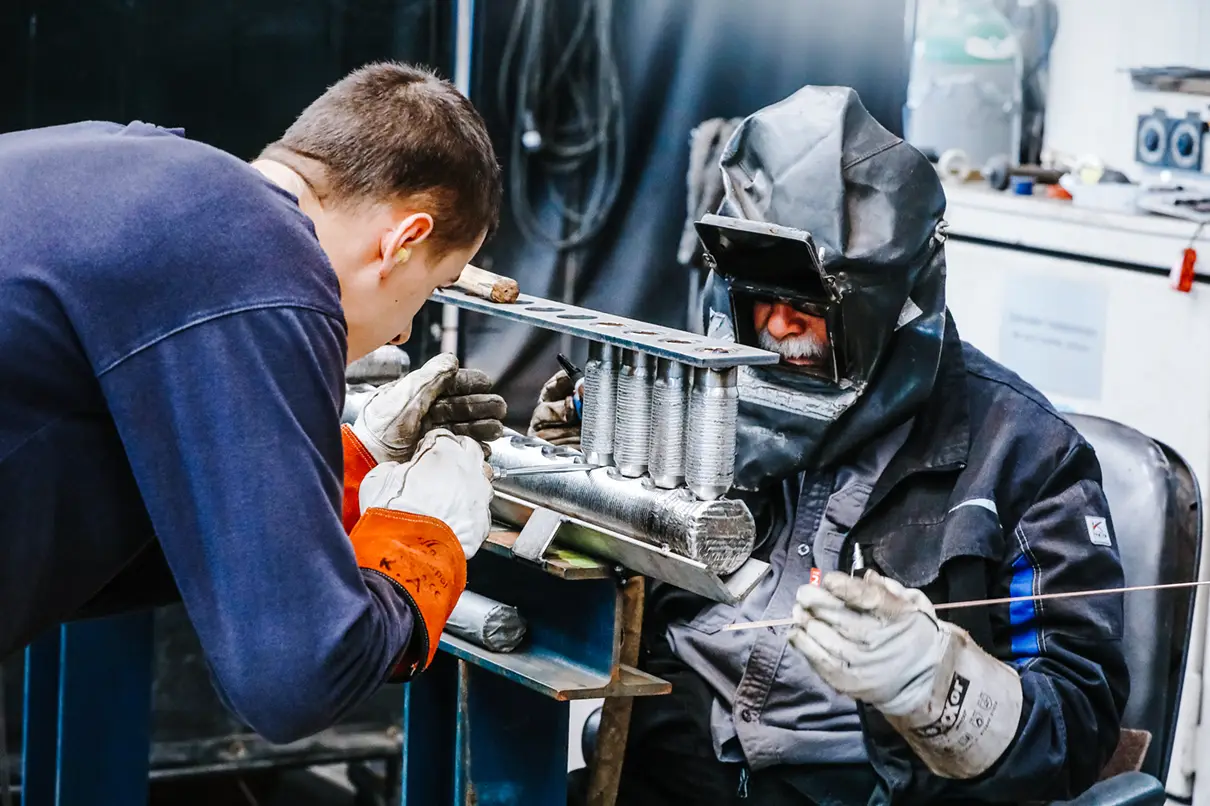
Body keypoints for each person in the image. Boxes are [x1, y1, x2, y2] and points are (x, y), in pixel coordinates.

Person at [530, 85, 1128, 805]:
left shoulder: (1027, 453)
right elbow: (595, 590)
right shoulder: (701, 395)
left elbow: (1080, 724)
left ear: (891, 303)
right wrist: (568, 481)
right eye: (760, 302)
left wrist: (941, 688)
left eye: (807, 308)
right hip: (664, 763)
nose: (779, 329)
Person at [0, 61, 508, 743]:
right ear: (403, 241)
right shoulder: (260, 256)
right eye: (431, 289)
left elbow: (143, 514)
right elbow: (296, 678)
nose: (402, 331)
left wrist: (352, 469)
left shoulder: (136, 173)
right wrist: (419, 533)